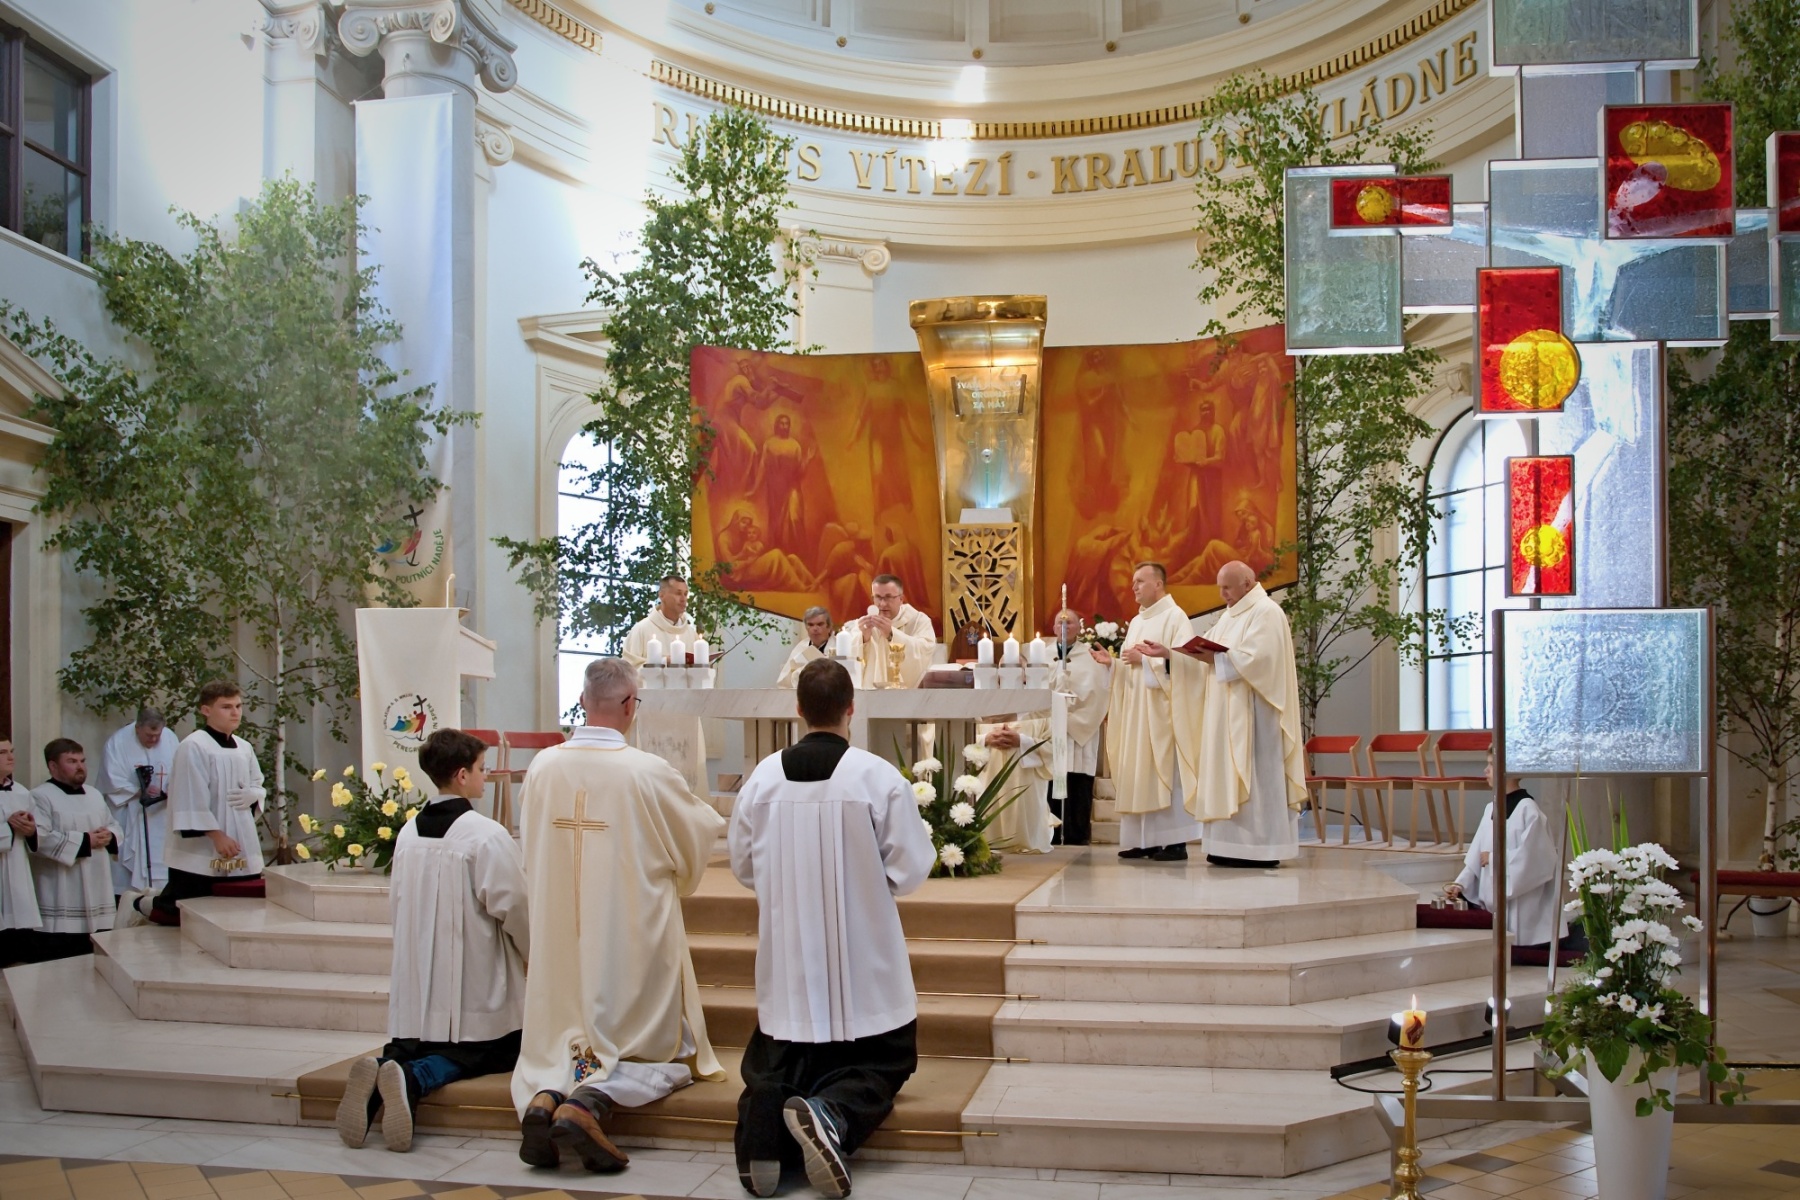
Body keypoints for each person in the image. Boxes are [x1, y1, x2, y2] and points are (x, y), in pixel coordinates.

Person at [728, 659, 934, 1198]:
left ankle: (762, 1137)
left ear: (798, 709)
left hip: (788, 960)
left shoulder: (762, 779)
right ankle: (832, 1114)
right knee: (886, 1060)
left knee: (777, 1058)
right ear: (851, 708)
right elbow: (910, 871)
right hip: (863, 962)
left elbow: (744, 867)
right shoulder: (876, 777)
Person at [511, 657, 725, 1174]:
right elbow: (697, 835)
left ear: (583, 702)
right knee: (665, 1056)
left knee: (567, 1040)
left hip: (561, 941)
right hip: (625, 938)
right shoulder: (646, 771)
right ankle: (587, 1103)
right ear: (631, 704)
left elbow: (530, 846)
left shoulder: (544, 767)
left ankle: (546, 1094)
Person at [338, 729, 529, 1154]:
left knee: (415, 1041)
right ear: (461, 775)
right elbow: (514, 905)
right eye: (481, 768)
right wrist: (531, 952)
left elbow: (398, 901)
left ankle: (383, 1072)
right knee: (497, 1049)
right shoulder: (485, 834)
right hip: (472, 974)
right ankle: (412, 1079)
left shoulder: (408, 833)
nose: (485, 776)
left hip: (418, 976)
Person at [1188, 562, 1308, 868]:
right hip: (1225, 714)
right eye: (1220, 587)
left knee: (1257, 778)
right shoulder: (1229, 616)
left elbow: (1261, 659)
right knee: (1225, 774)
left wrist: (1218, 658)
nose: (1222, 594)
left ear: (1247, 583)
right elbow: (1208, 649)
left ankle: (1260, 849)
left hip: (1256, 715)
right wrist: (1174, 655)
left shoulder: (1267, 612)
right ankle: (1226, 845)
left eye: (1227, 587)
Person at [1105, 563, 1204, 861]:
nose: (1133, 587)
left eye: (1140, 581)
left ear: (1158, 584)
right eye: (1133, 581)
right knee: (1139, 773)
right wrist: (1113, 665)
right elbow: (1131, 665)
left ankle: (1174, 842)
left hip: (1163, 712)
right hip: (1137, 713)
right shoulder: (1137, 621)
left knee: (1166, 773)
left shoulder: (1176, 617)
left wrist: (1149, 662)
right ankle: (1144, 840)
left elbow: (1189, 663)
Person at [145, 681, 265, 926]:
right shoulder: (194, 746)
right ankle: (141, 904)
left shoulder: (244, 748)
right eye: (226, 707)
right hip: (203, 847)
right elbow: (188, 795)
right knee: (186, 911)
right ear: (206, 710)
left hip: (241, 841)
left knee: (236, 910)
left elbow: (257, 783)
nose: (235, 712)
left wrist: (255, 794)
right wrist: (217, 835)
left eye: (238, 706)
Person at [1446, 755, 1568, 949]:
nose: (1485, 770)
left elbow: (1536, 860)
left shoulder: (1528, 810)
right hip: (1496, 900)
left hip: (1523, 903)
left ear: (1509, 770)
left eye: (1491, 764)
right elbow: (1477, 856)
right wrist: (1461, 883)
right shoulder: (1491, 808)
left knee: (1515, 946)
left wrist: (1494, 859)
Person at [27, 739, 122, 960]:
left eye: (82, 761)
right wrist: (86, 840)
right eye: (71, 761)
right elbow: (40, 837)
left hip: (97, 887)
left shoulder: (94, 794)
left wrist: (110, 835)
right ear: (53, 766)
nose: (80, 767)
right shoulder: (40, 796)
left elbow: (113, 824)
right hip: (60, 891)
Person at [621, 575, 710, 799]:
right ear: (662, 595)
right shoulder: (642, 630)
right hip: (653, 713)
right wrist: (663, 662)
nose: (684, 599)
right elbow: (628, 671)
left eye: (686, 594)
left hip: (685, 713)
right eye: (678, 593)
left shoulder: (690, 633)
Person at [100, 708, 177, 900]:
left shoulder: (170, 739)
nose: (154, 740)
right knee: (128, 878)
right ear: (137, 728)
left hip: (162, 815)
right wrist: (139, 790)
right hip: (130, 812)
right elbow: (111, 781)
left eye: (157, 735)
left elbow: (179, 770)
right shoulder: (117, 743)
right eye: (149, 735)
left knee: (162, 869)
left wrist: (169, 788)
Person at [1050, 609, 1111, 846]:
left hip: (1080, 726)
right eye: (1060, 623)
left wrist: (1072, 716)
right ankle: (1051, 832)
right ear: (1054, 627)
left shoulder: (1090, 656)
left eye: (1070, 623)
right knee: (1052, 777)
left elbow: (1099, 691)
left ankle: (1077, 833)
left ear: (1079, 628)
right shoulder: (1042, 655)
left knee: (1078, 780)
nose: (1065, 627)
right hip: (1051, 728)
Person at [849, 574, 936, 690]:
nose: (882, 604)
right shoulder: (864, 625)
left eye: (888, 597)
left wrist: (891, 634)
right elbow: (849, 662)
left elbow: (924, 650)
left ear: (901, 599)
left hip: (907, 695)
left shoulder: (918, 620)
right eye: (878, 597)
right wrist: (863, 639)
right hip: (870, 694)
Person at [0, 739, 40, 965]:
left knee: (18, 940)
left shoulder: (22, 792)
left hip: (17, 870)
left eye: (11, 751)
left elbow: (39, 831)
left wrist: (31, 830)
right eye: (2, 752)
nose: (11, 757)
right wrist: (8, 827)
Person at [776, 607, 835, 689]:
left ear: (829, 627)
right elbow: (784, 682)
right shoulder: (800, 647)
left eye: (820, 624)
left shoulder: (839, 647)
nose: (815, 628)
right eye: (811, 625)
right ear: (806, 628)